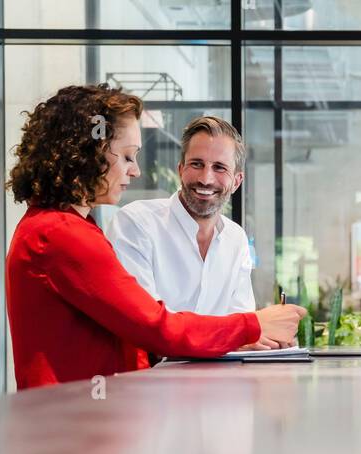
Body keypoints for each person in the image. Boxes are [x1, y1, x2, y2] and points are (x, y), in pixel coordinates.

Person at [5, 86, 304, 390]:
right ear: (87, 153)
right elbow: (154, 327)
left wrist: (248, 331)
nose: (134, 171)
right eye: (126, 156)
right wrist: (253, 325)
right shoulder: (61, 235)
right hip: (75, 421)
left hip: (89, 414)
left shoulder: (62, 228)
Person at [107, 114, 257, 316]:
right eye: (196, 164)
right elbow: (143, 322)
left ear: (237, 181)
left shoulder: (236, 239)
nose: (205, 179)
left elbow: (243, 323)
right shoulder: (135, 223)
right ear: (180, 170)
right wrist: (236, 333)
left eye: (219, 167)